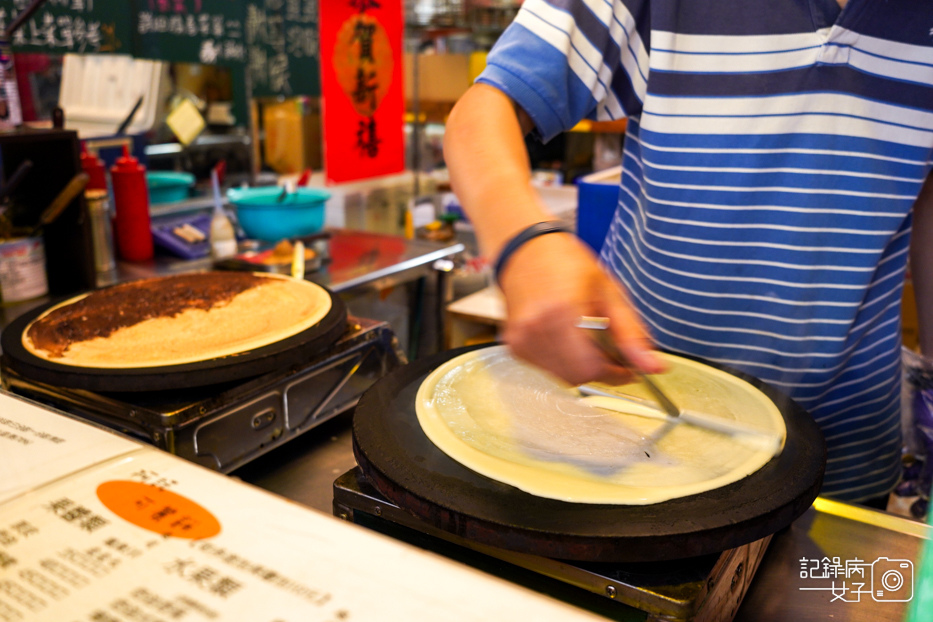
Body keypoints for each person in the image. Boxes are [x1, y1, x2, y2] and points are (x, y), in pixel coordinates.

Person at [443, 0, 933, 504]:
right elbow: (483, 111)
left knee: (830, 583)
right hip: (635, 427)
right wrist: (525, 245)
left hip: (844, 453)